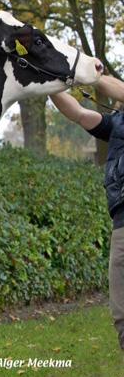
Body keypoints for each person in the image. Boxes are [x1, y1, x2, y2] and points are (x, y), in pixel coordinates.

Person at [50, 75, 124, 348]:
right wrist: (49, 84)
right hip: (121, 224)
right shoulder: (116, 125)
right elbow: (77, 113)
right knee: (121, 313)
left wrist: (88, 72)